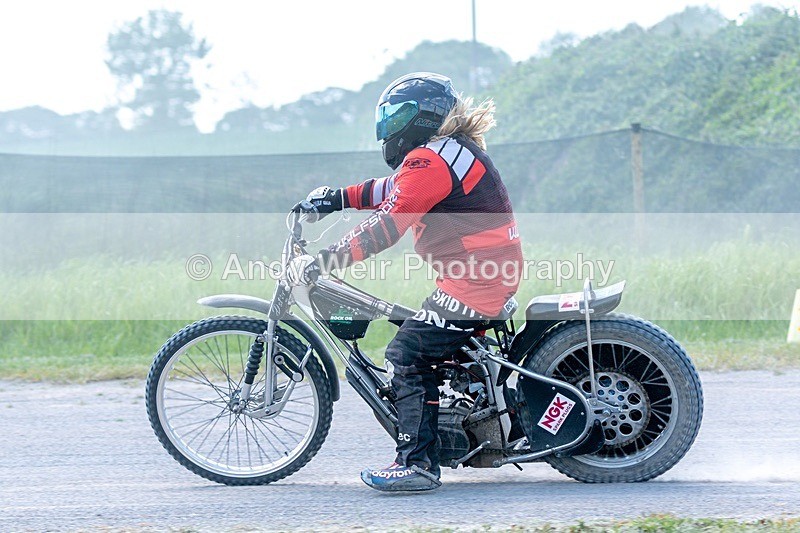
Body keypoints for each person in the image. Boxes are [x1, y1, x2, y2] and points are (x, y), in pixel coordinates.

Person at [296, 72, 523, 491]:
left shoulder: (432, 159)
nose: (387, 125)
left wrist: (326, 261)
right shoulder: (443, 154)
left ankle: (417, 465)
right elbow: (394, 189)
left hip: (475, 282)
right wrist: (339, 198)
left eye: (394, 115)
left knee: (407, 354)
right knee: (418, 338)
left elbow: (387, 225)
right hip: (483, 274)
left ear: (419, 117)